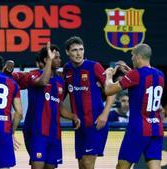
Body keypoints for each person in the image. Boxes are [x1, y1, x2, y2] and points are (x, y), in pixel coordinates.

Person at [104, 43, 165, 169]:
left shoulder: (135, 75)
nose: (131, 59)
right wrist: (130, 73)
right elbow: (144, 83)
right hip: (156, 128)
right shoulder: (160, 75)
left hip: (138, 128)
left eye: (132, 56)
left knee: (122, 167)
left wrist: (109, 75)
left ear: (138, 57)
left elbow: (109, 90)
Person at [23, 42, 80, 169]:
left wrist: (73, 116)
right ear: (46, 59)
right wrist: (49, 60)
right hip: (37, 131)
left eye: (59, 57)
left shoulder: (60, 82)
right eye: (56, 57)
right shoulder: (34, 74)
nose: (59, 60)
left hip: (54, 133)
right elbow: (43, 82)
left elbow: (59, 106)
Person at [63, 36, 115, 169]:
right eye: (74, 50)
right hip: (79, 127)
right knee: (82, 165)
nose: (78, 53)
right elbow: (59, 99)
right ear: (67, 52)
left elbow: (111, 91)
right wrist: (71, 116)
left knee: (87, 163)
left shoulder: (94, 66)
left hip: (96, 123)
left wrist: (104, 114)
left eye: (81, 49)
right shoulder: (67, 69)